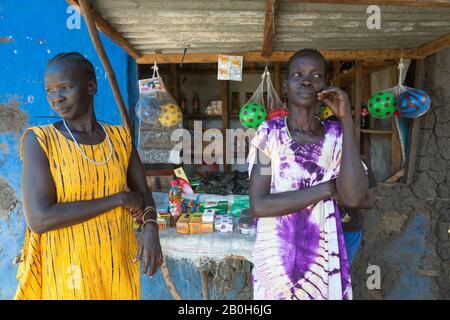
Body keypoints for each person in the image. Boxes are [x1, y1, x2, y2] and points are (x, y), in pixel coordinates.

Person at [15, 52, 163, 300]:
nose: (56, 98)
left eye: (65, 87)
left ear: (91, 86)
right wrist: (119, 199)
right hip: (68, 272)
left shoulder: (120, 138)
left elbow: (144, 195)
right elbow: (39, 219)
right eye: (49, 90)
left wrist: (150, 227)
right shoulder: (40, 141)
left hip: (117, 264)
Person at [248, 48, 369, 300]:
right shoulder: (267, 134)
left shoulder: (337, 135)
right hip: (275, 258)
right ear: (286, 85)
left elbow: (357, 198)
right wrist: (325, 190)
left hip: (321, 258)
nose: (306, 80)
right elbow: (259, 205)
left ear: (325, 87)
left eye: (316, 76)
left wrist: (346, 120)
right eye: (297, 74)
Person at [340, 156, 377, 266]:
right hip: (320, 230)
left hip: (348, 231)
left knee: (340, 274)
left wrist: (336, 200)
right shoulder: (317, 159)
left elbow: (369, 201)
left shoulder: (359, 161)